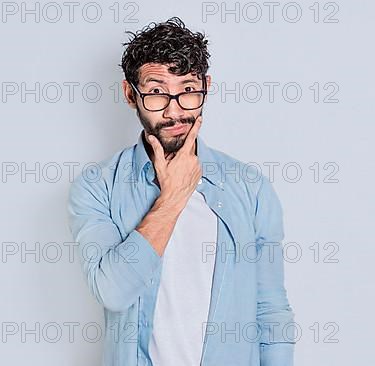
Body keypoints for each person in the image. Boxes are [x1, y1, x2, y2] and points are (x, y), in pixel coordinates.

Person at [67, 17, 295, 366]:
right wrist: (172, 197)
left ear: (205, 87)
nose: (174, 111)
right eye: (157, 92)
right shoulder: (97, 187)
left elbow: (271, 310)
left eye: (187, 89)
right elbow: (113, 291)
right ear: (131, 94)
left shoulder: (249, 187)